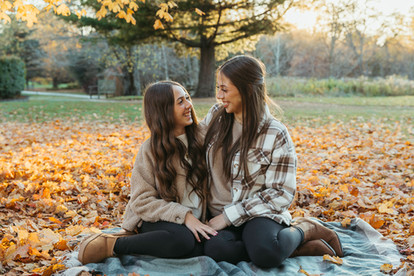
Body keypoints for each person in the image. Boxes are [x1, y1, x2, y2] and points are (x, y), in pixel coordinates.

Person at [201, 55, 343, 268]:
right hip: (217, 213)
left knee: (266, 254)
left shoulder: (275, 133)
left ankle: (305, 228)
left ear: (247, 89)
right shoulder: (216, 116)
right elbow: (190, 149)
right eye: (218, 88)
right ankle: (297, 249)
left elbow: (281, 193)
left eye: (224, 89)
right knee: (216, 250)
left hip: (258, 213)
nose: (219, 96)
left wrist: (230, 216)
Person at [77, 81, 217, 265]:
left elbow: (223, 111)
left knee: (208, 247)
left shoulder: (202, 137)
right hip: (159, 220)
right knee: (183, 240)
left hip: (198, 221)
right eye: (180, 102)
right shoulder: (150, 150)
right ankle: (114, 245)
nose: (189, 105)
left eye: (187, 98)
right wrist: (185, 216)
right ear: (164, 111)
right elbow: (141, 201)